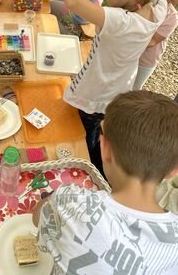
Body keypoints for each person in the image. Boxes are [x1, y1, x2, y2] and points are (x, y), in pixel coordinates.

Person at [52, 0, 177, 172]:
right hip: (112, 92)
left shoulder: (121, 21)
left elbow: (73, 0)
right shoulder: (155, 3)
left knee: (86, 144)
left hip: (93, 98)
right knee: (97, 140)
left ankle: (91, 174)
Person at [33, 90, 178, 274]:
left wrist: (53, 199)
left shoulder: (69, 201)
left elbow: (37, 218)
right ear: (174, 171)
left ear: (104, 147)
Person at [134, 0, 178, 90]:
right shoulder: (147, 1)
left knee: (133, 89)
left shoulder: (172, 17)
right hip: (131, 51)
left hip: (146, 60)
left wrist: (128, 37)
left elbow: (152, 41)